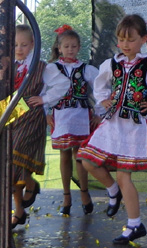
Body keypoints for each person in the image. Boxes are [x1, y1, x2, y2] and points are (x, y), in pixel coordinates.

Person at [76, 14, 147, 245]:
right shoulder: (110, 63)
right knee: (86, 160)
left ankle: (135, 224)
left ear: (143, 39)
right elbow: (100, 85)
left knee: (124, 175)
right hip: (112, 123)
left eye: (131, 39)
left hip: (133, 128)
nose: (125, 44)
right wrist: (104, 99)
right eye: (121, 39)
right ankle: (113, 190)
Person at [28, 25, 100, 216]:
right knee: (64, 154)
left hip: (81, 116)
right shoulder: (51, 68)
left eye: (74, 46)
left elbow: (101, 87)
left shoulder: (85, 69)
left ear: (78, 48)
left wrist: (99, 111)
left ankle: (84, 193)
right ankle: (66, 195)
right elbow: (42, 91)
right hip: (60, 115)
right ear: (59, 48)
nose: (70, 49)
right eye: (66, 46)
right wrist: (46, 112)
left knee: (80, 155)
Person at [11, 24, 47, 229]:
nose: (19, 49)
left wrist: (45, 99)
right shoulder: (8, 65)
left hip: (30, 113)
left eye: (24, 44)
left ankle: (29, 187)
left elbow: (59, 85)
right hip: (9, 111)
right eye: (15, 45)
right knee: (10, 162)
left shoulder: (41, 66)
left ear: (33, 45)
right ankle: (19, 210)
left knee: (15, 156)